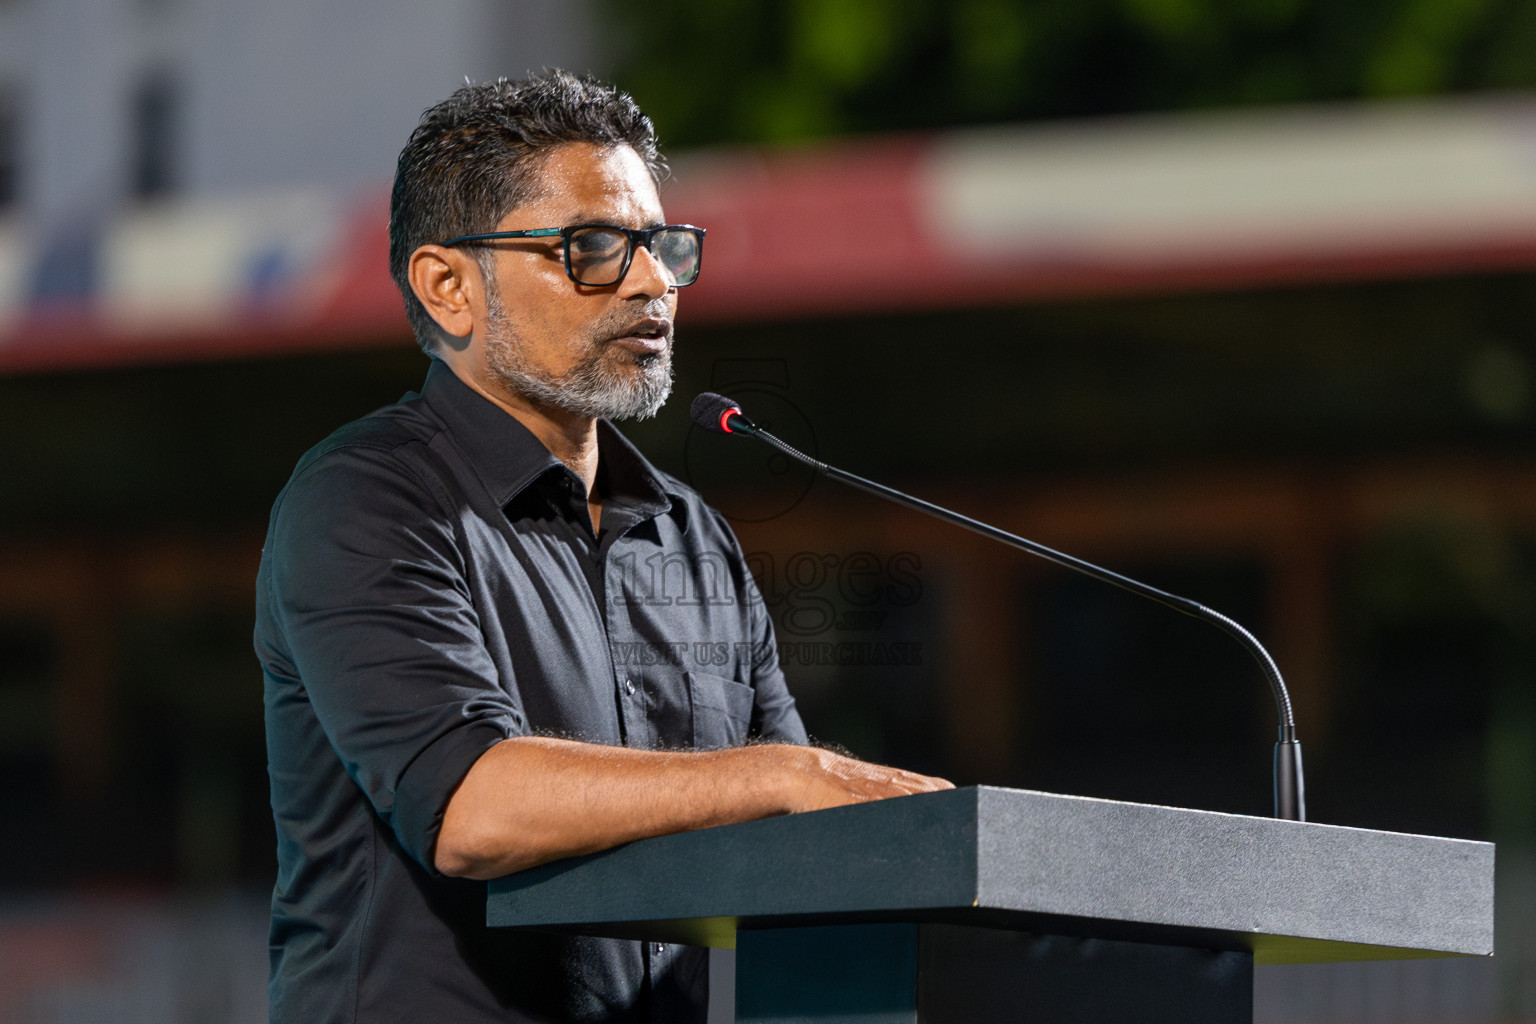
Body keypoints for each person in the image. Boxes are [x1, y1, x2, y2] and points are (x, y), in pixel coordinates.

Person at [254, 70, 950, 1024]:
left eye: (661, 246)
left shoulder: (692, 533)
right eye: (593, 248)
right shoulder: (365, 500)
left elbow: (804, 856)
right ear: (448, 285)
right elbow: (471, 809)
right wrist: (781, 777)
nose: (656, 281)